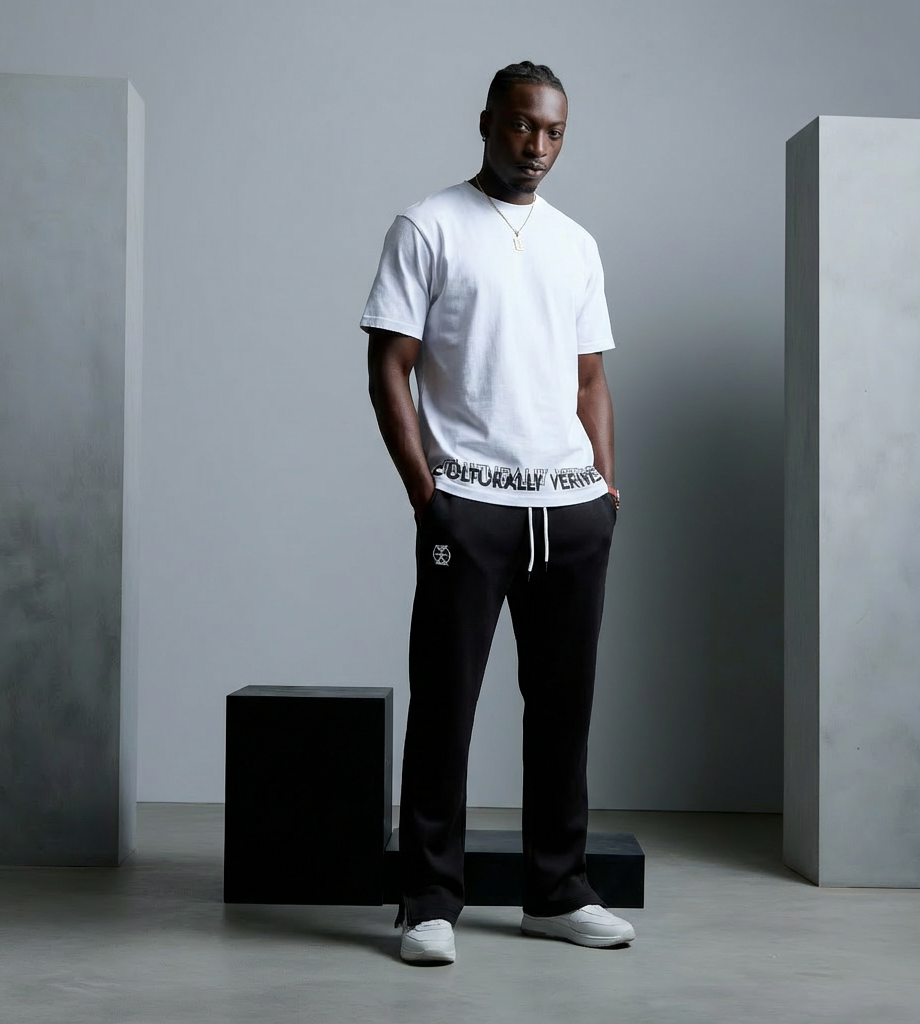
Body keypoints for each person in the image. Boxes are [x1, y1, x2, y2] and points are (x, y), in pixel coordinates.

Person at [361, 60, 634, 965]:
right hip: (469, 507)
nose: (538, 147)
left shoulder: (577, 244)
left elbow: (590, 376)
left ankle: (557, 893)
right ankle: (429, 903)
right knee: (447, 704)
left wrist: (604, 480)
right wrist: (425, 494)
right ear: (487, 123)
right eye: (523, 127)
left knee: (564, 708)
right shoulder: (429, 225)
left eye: (554, 132)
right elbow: (388, 364)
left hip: (570, 510)